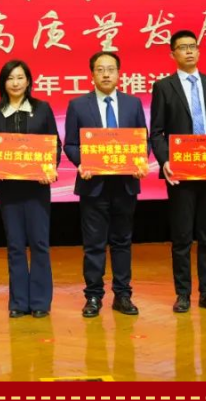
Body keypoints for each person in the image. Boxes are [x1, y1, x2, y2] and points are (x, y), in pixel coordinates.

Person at [149, 30, 206, 314]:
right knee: (182, 236)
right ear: (172, 54)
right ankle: (183, 293)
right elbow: (157, 132)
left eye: (192, 46)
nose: (188, 51)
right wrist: (165, 160)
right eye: (182, 47)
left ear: (199, 51)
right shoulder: (164, 86)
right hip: (180, 173)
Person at [63, 51, 149, 318]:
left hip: (125, 184)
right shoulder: (78, 105)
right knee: (94, 244)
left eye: (111, 69)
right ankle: (93, 296)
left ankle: (123, 295)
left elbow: (143, 141)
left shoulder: (133, 104)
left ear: (119, 73)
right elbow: (70, 144)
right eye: (100, 70)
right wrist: (82, 162)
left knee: (122, 242)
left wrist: (140, 160)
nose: (106, 74)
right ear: (92, 75)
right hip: (93, 185)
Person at [0, 59, 60, 318]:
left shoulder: (42, 109)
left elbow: (54, 144)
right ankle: (18, 302)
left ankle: (40, 302)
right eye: (10, 78)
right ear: (2, 83)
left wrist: (49, 168)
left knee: (39, 243)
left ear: (28, 81)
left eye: (20, 77)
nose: (15, 83)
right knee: (15, 244)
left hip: (37, 187)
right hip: (8, 188)